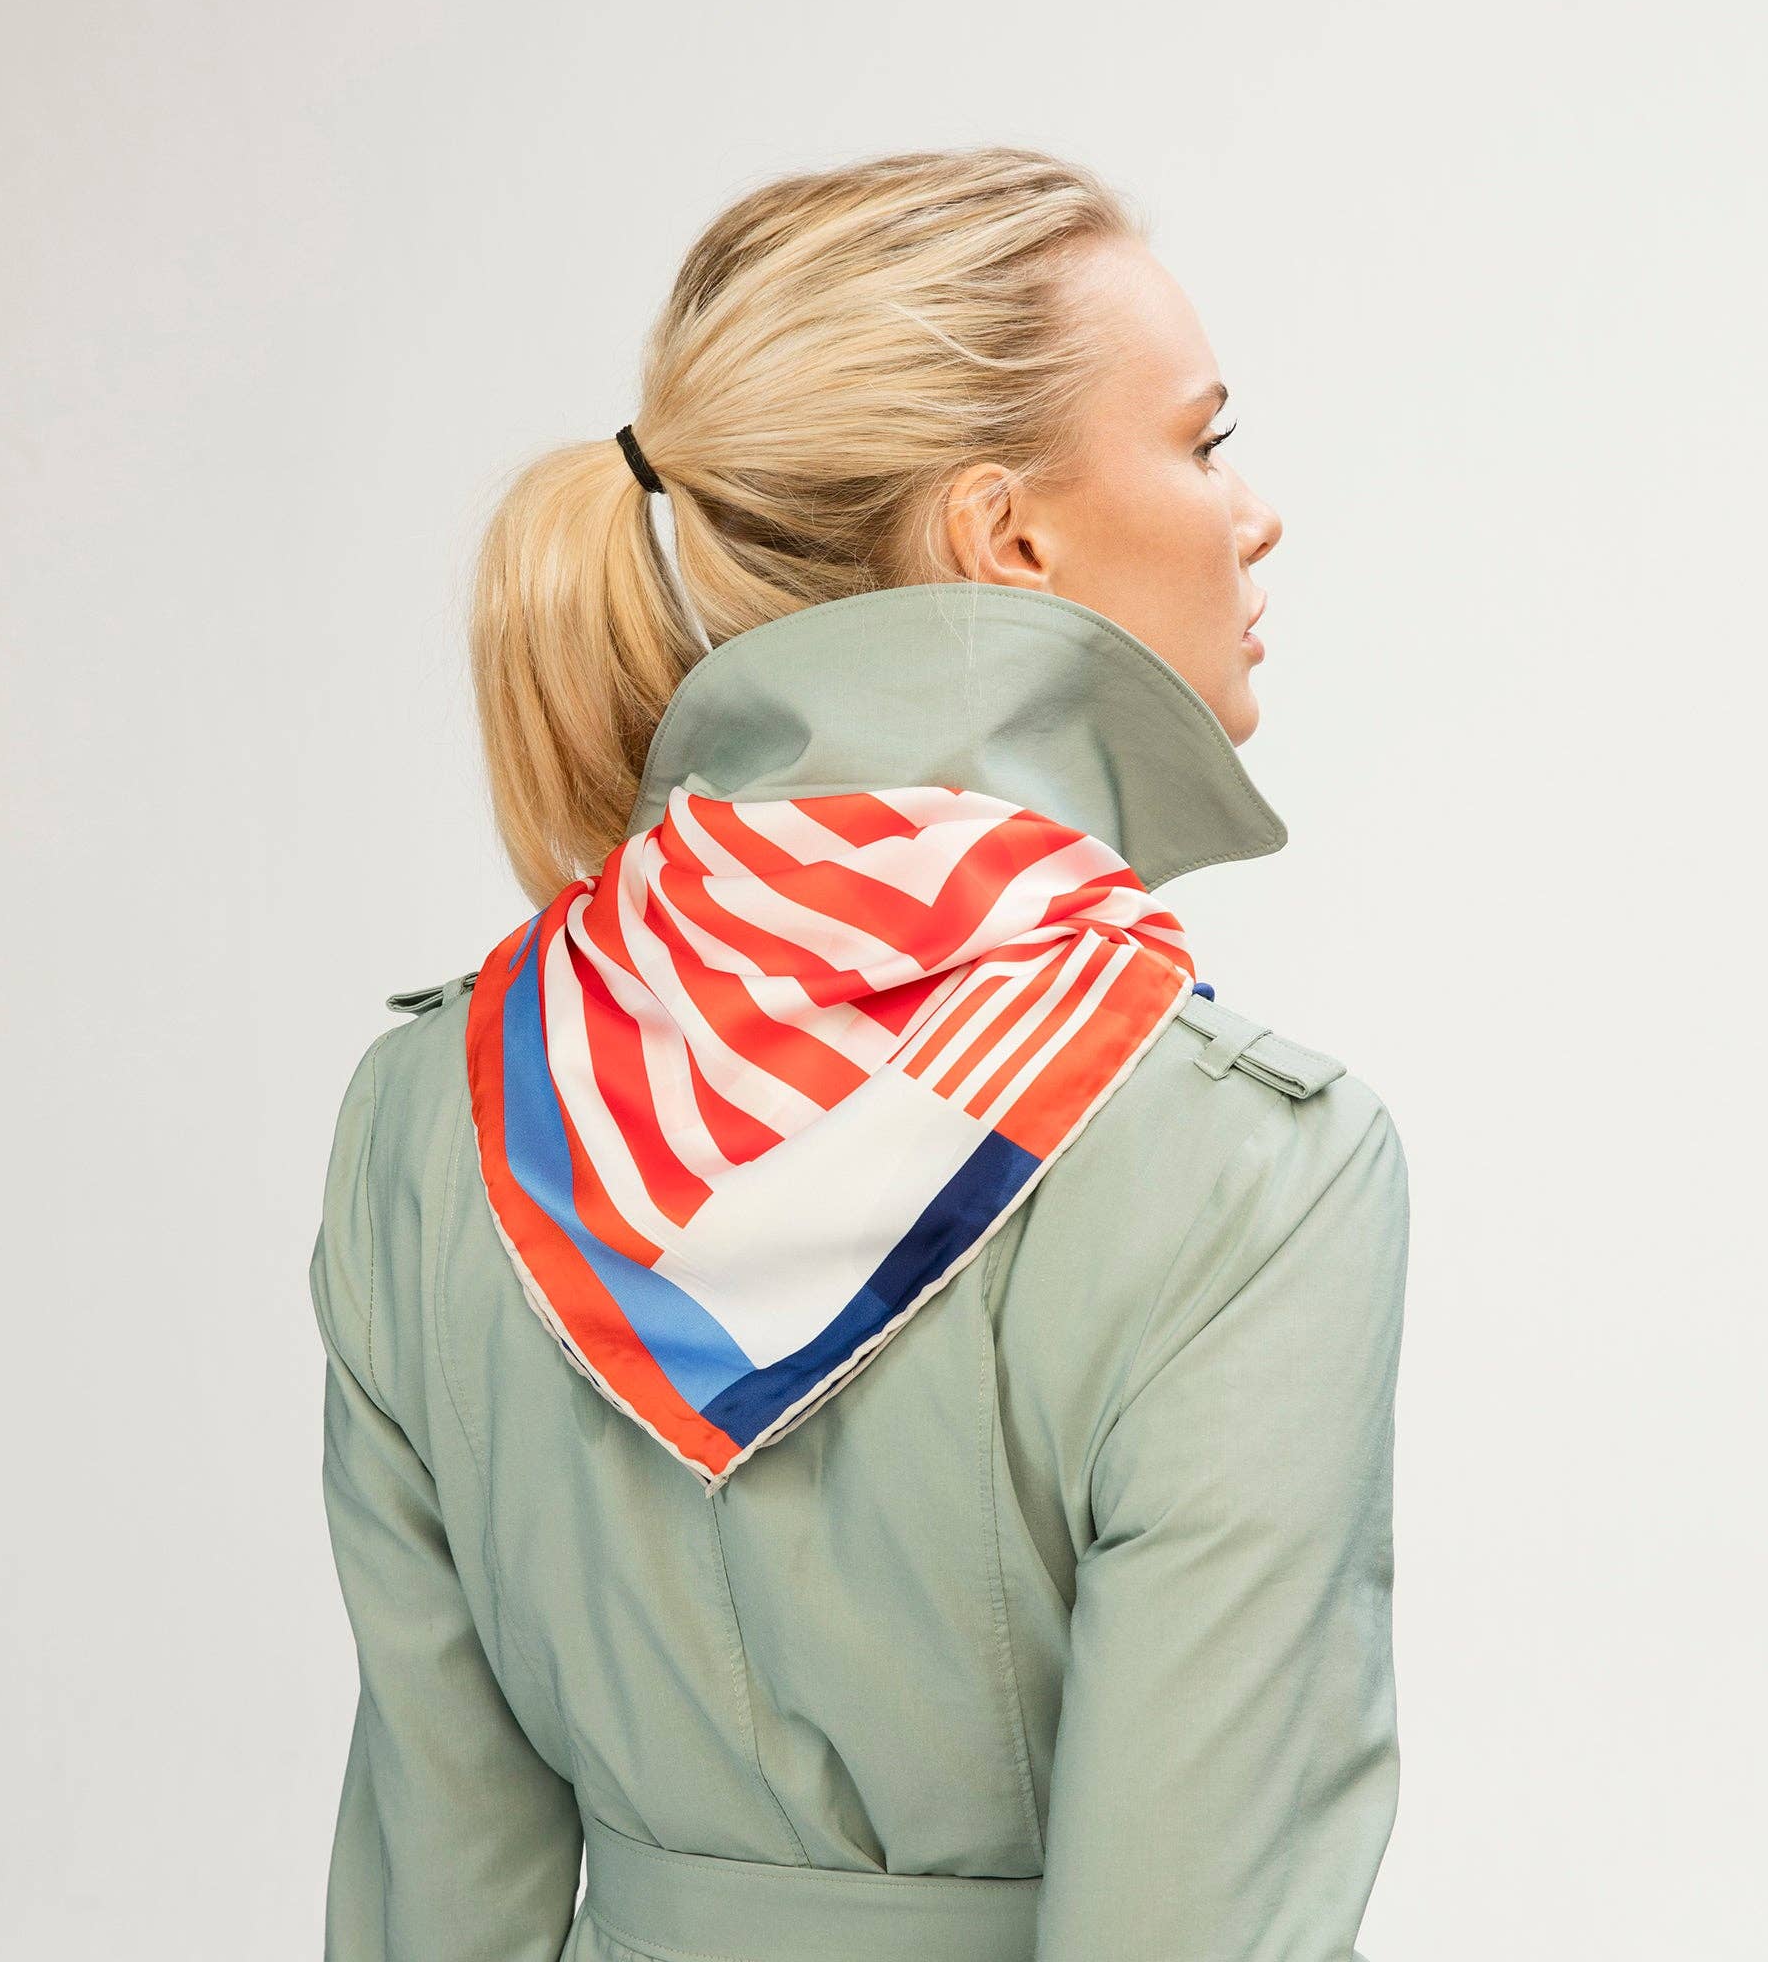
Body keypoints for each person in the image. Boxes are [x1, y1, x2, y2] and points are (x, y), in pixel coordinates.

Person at [309, 146, 1411, 1962]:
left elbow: (438, 1898)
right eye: (1205, 442)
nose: (1254, 512)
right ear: (1006, 539)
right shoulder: (1246, 1168)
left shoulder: (435, 1117)